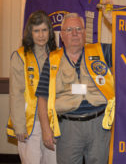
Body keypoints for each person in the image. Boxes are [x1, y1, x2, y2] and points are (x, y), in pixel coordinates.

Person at [36, 13, 115, 164]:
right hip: (68, 127)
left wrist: (112, 21)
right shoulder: (52, 60)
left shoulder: (102, 51)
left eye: (79, 29)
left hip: (99, 125)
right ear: (62, 35)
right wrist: (46, 130)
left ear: (85, 33)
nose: (75, 33)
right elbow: (42, 97)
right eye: (70, 29)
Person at [6, 10, 57, 164]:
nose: (41, 35)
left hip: (53, 123)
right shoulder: (20, 56)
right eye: (36, 31)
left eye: (44, 30)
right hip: (30, 124)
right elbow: (16, 93)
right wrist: (19, 126)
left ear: (50, 31)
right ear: (30, 33)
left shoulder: (57, 54)